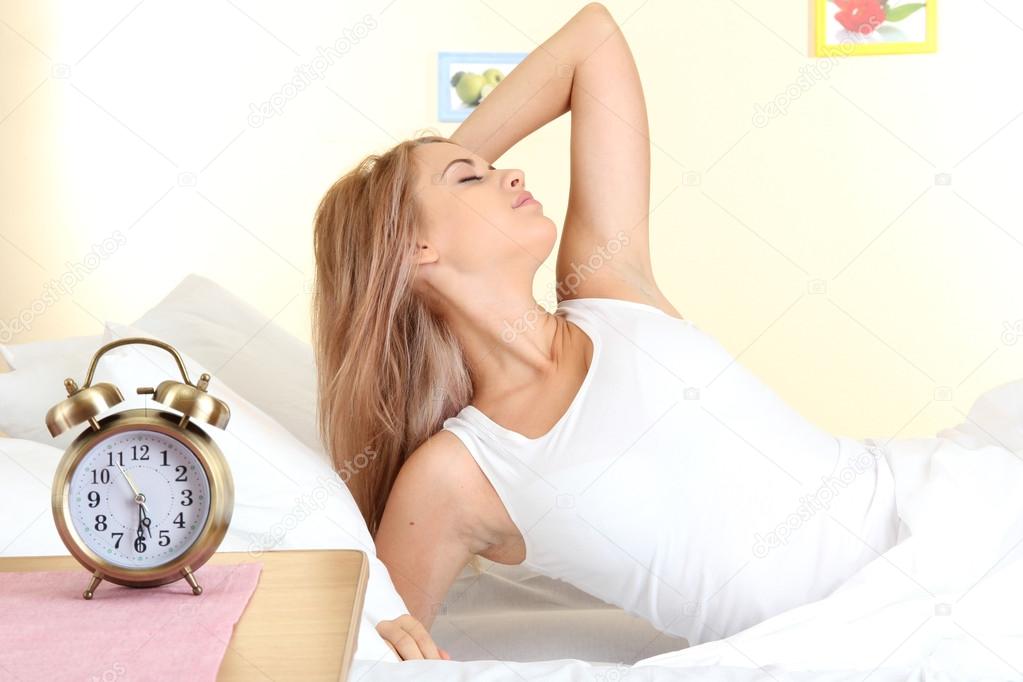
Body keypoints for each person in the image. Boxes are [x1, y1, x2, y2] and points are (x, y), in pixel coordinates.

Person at [311, 3, 899, 661]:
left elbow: (594, 38)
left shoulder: (608, 289)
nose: (509, 170)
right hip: (857, 645)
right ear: (412, 247)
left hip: (932, 521)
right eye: (471, 176)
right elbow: (361, 654)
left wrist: (442, 169)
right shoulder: (454, 476)